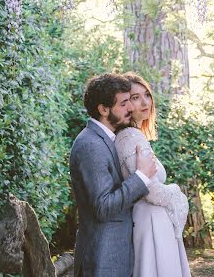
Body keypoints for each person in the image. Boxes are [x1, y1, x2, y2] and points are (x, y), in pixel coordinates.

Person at [69, 73, 157, 277]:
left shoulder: (106, 139)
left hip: (114, 255)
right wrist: (142, 177)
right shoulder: (90, 145)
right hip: (102, 258)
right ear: (103, 109)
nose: (131, 108)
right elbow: (104, 207)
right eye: (124, 103)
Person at [115, 72, 191, 277]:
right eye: (135, 97)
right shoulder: (130, 137)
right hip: (150, 222)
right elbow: (151, 191)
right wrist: (176, 193)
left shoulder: (136, 136)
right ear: (126, 105)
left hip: (153, 220)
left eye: (146, 95)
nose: (144, 102)